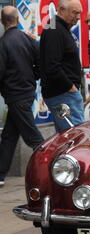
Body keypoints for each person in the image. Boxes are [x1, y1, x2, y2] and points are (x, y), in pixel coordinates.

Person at [0, 6, 44, 187]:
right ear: (18, 19)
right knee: (9, 136)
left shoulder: (3, 43)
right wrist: (33, 77)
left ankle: (47, 171)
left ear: (2, 22)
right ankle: (1, 174)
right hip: (26, 93)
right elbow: (40, 63)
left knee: (35, 139)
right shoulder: (28, 39)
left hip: (15, 95)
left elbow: (0, 72)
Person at [40, 0, 85, 132]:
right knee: (76, 138)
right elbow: (52, 66)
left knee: (66, 138)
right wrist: (70, 87)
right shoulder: (54, 29)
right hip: (64, 95)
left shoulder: (56, 27)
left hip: (63, 94)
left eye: (79, 13)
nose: (78, 17)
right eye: (74, 12)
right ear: (61, 10)